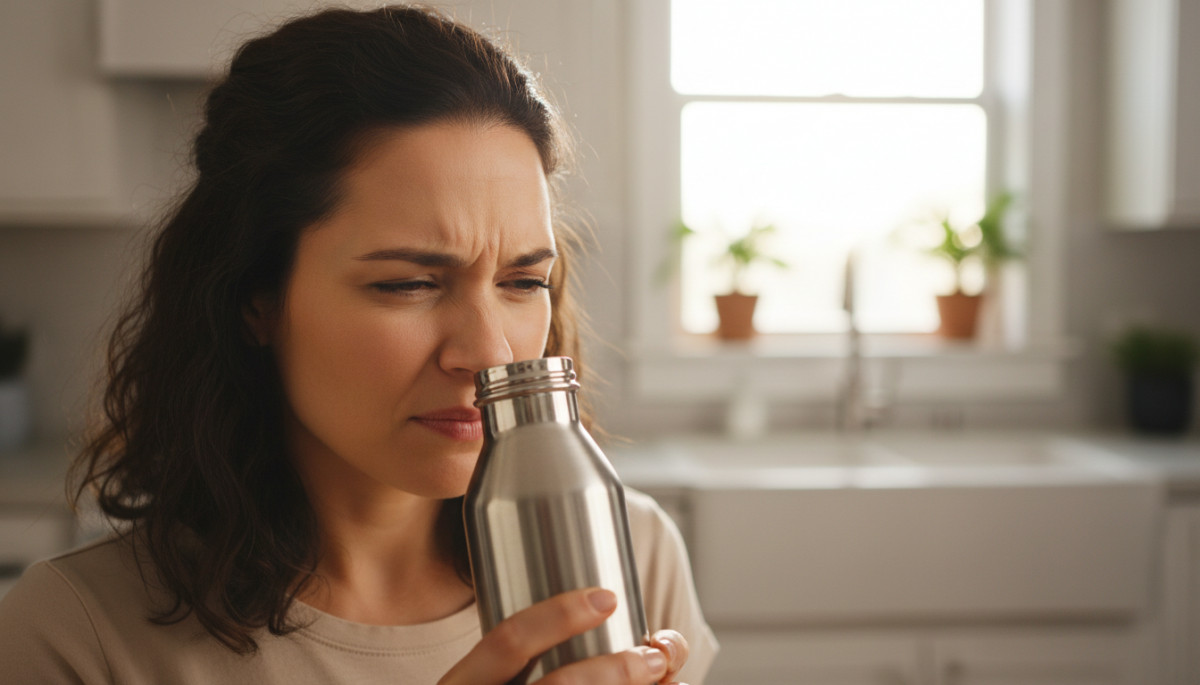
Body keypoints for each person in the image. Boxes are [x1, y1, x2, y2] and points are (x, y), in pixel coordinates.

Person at [0, 5, 717, 684]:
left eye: (523, 281)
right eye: (408, 283)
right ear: (257, 299)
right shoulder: (73, 637)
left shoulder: (631, 556)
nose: (491, 353)